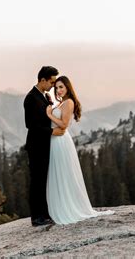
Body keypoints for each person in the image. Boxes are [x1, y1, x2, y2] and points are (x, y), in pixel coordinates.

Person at [46, 76, 115, 225]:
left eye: (61, 87)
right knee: (57, 174)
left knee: (63, 174)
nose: (58, 90)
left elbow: (64, 125)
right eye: (56, 87)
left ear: (68, 88)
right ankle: (58, 207)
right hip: (55, 141)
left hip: (61, 141)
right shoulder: (62, 103)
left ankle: (67, 208)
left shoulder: (69, 102)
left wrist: (50, 114)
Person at [23, 66, 65, 226]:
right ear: (42, 80)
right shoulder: (31, 98)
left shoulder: (44, 96)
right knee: (37, 181)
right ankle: (36, 217)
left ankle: (45, 213)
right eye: (52, 82)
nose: (53, 86)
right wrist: (51, 132)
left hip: (45, 145)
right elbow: (30, 125)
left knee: (44, 180)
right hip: (36, 146)